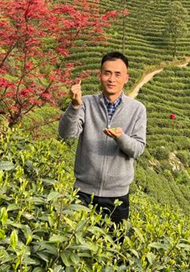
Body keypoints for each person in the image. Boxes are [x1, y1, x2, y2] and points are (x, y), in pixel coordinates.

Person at [58, 51, 147, 224]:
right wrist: (74, 106)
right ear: (100, 76)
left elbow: (137, 149)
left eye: (117, 74)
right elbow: (66, 134)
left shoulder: (137, 109)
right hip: (83, 192)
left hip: (117, 197)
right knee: (75, 239)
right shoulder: (86, 103)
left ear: (126, 78)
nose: (111, 79)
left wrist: (121, 138)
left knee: (113, 240)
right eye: (107, 73)